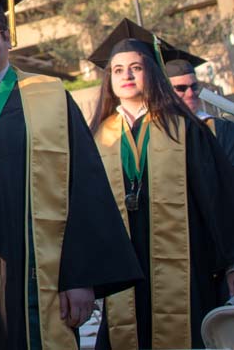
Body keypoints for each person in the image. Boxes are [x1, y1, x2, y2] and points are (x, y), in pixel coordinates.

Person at [0, 0, 141, 350]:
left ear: (7, 38)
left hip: (36, 283)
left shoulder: (51, 98)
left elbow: (84, 188)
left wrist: (79, 277)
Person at [87, 18, 234, 350]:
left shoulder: (185, 130)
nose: (126, 75)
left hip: (186, 268)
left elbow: (217, 199)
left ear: (151, 73)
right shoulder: (96, 137)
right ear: (108, 79)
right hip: (121, 271)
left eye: (135, 67)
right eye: (118, 69)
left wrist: (230, 262)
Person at [165, 58, 234, 164]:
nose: (190, 93)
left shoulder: (220, 129)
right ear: (165, 92)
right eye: (181, 88)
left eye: (194, 86)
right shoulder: (158, 132)